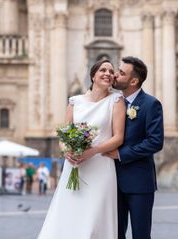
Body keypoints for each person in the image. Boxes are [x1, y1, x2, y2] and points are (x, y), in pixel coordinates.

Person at [37, 59, 126, 239]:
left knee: (95, 217)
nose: (108, 73)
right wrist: (67, 152)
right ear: (93, 75)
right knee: (71, 213)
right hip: (75, 165)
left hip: (101, 166)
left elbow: (118, 137)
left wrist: (93, 151)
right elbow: (64, 135)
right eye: (103, 70)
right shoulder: (75, 102)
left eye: (111, 71)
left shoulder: (116, 100)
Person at [106, 56, 164, 239]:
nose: (115, 75)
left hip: (139, 183)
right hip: (111, 181)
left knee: (140, 235)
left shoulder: (150, 104)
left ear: (134, 81)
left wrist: (121, 154)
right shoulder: (111, 102)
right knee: (115, 234)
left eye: (121, 73)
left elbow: (155, 142)